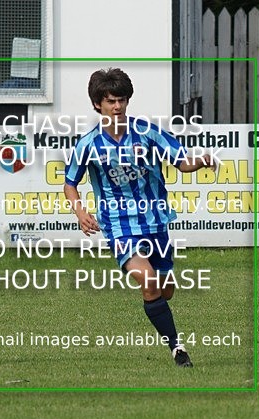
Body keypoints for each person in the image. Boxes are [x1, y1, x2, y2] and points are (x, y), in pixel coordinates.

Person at [63, 68, 217, 368]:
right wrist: (80, 211)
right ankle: (177, 349)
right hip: (119, 227)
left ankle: (160, 305)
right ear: (98, 104)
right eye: (110, 101)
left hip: (155, 223)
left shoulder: (147, 132)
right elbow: (70, 184)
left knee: (164, 288)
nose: (117, 107)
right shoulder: (88, 144)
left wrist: (201, 160)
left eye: (121, 100)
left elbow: (181, 161)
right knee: (148, 282)